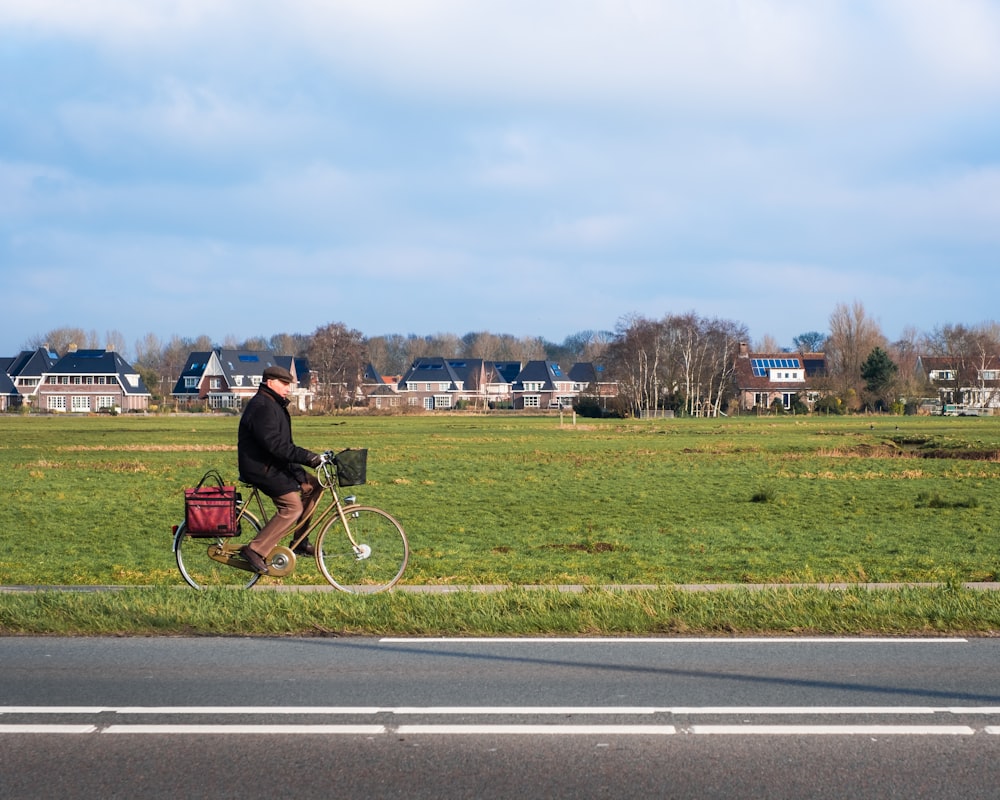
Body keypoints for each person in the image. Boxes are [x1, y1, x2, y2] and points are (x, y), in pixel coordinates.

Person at [237, 364, 324, 575]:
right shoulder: (262, 407)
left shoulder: (274, 405)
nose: (288, 388)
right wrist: (308, 457)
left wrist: (304, 466)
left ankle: (300, 541)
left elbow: (284, 447)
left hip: (274, 463)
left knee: (314, 485)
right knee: (292, 507)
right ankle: (255, 550)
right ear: (270, 382)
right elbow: (276, 446)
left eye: (289, 384)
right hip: (261, 467)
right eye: (284, 384)